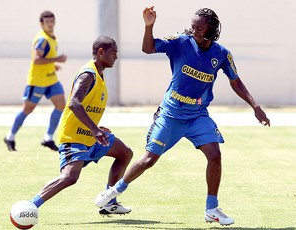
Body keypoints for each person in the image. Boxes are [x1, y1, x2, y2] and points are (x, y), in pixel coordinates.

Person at [95, 6, 270, 226]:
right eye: (193, 26)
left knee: (215, 155)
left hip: (198, 115)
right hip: (171, 115)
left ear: (212, 30)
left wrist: (255, 106)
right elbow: (148, 48)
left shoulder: (222, 54)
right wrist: (149, 26)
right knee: (149, 160)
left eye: (199, 28)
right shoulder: (180, 42)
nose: (194, 30)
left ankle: (211, 208)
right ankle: (113, 191)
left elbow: (236, 81)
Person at [28, 36, 133, 216]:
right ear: (101, 52)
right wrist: (94, 128)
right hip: (73, 137)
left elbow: (88, 107)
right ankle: (31, 205)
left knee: (124, 153)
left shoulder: (99, 74)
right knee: (70, 177)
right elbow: (74, 103)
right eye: (113, 53)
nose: (116, 57)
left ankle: (109, 201)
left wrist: (97, 128)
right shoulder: (88, 74)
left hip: (92, 137)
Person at [4, 10, 67, 151]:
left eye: (52, 21)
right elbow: (37, 60)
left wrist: (53, 65)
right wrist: (57, 59)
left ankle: (48, 137)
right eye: (47, 22)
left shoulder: (52, 37)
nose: (50, 24)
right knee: (28, 109)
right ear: (41, 24)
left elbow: (45, 58)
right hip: (37, 82)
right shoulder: (42, 39)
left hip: (51, 79)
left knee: (61, 105)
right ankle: (10, 136)